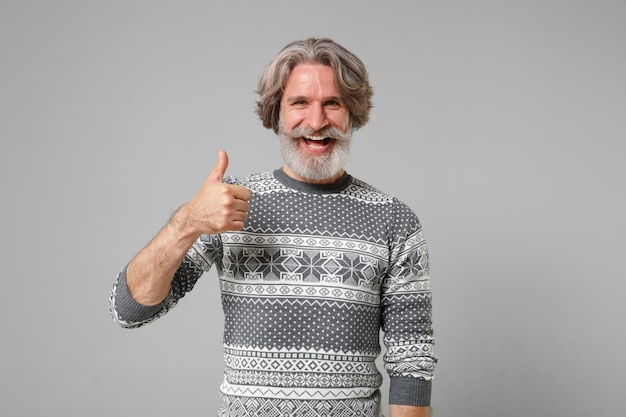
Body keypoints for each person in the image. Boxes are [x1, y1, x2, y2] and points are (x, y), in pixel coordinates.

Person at [109, 37, 437, 417]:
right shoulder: (229, 204)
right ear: (276, 112)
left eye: (332, 103)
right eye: (300, 103)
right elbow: (130, 310)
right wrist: (186, 223)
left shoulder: (393, 220)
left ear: (352, 112)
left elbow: (411, 359)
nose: (316, 122)